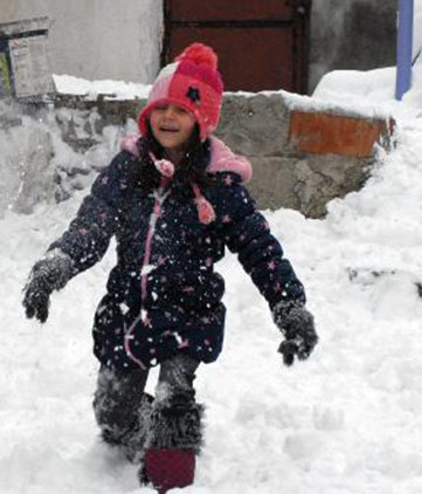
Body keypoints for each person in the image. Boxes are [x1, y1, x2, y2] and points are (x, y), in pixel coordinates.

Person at [22, 43, 318, 492]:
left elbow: (259, 248)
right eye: (160, 107)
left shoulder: (219, 185)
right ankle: (141, 422)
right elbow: (92, 225)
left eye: (181, 109)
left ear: (202, 119)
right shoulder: (128, 169)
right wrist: (58, 263)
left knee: (173, 402)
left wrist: (288, 305)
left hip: (189, 310)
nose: (168, 117)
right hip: (129, 309)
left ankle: (172, 469)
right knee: (111, 414)